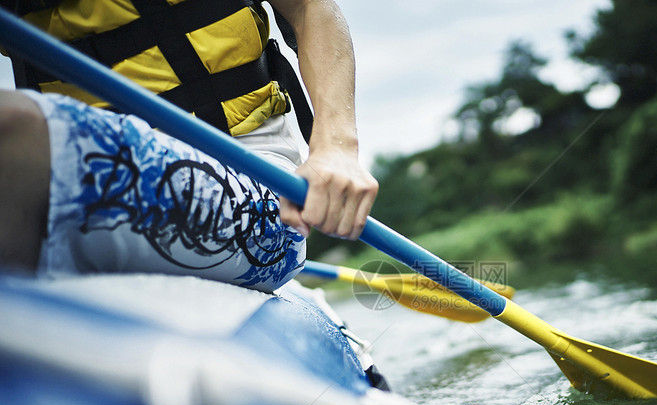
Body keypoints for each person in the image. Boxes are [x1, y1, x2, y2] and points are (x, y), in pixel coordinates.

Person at [0, 0, 378, 292]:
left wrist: (337, 149)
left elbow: (309, 7)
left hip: (258, 186)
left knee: (13, 126)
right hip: (80, 184)